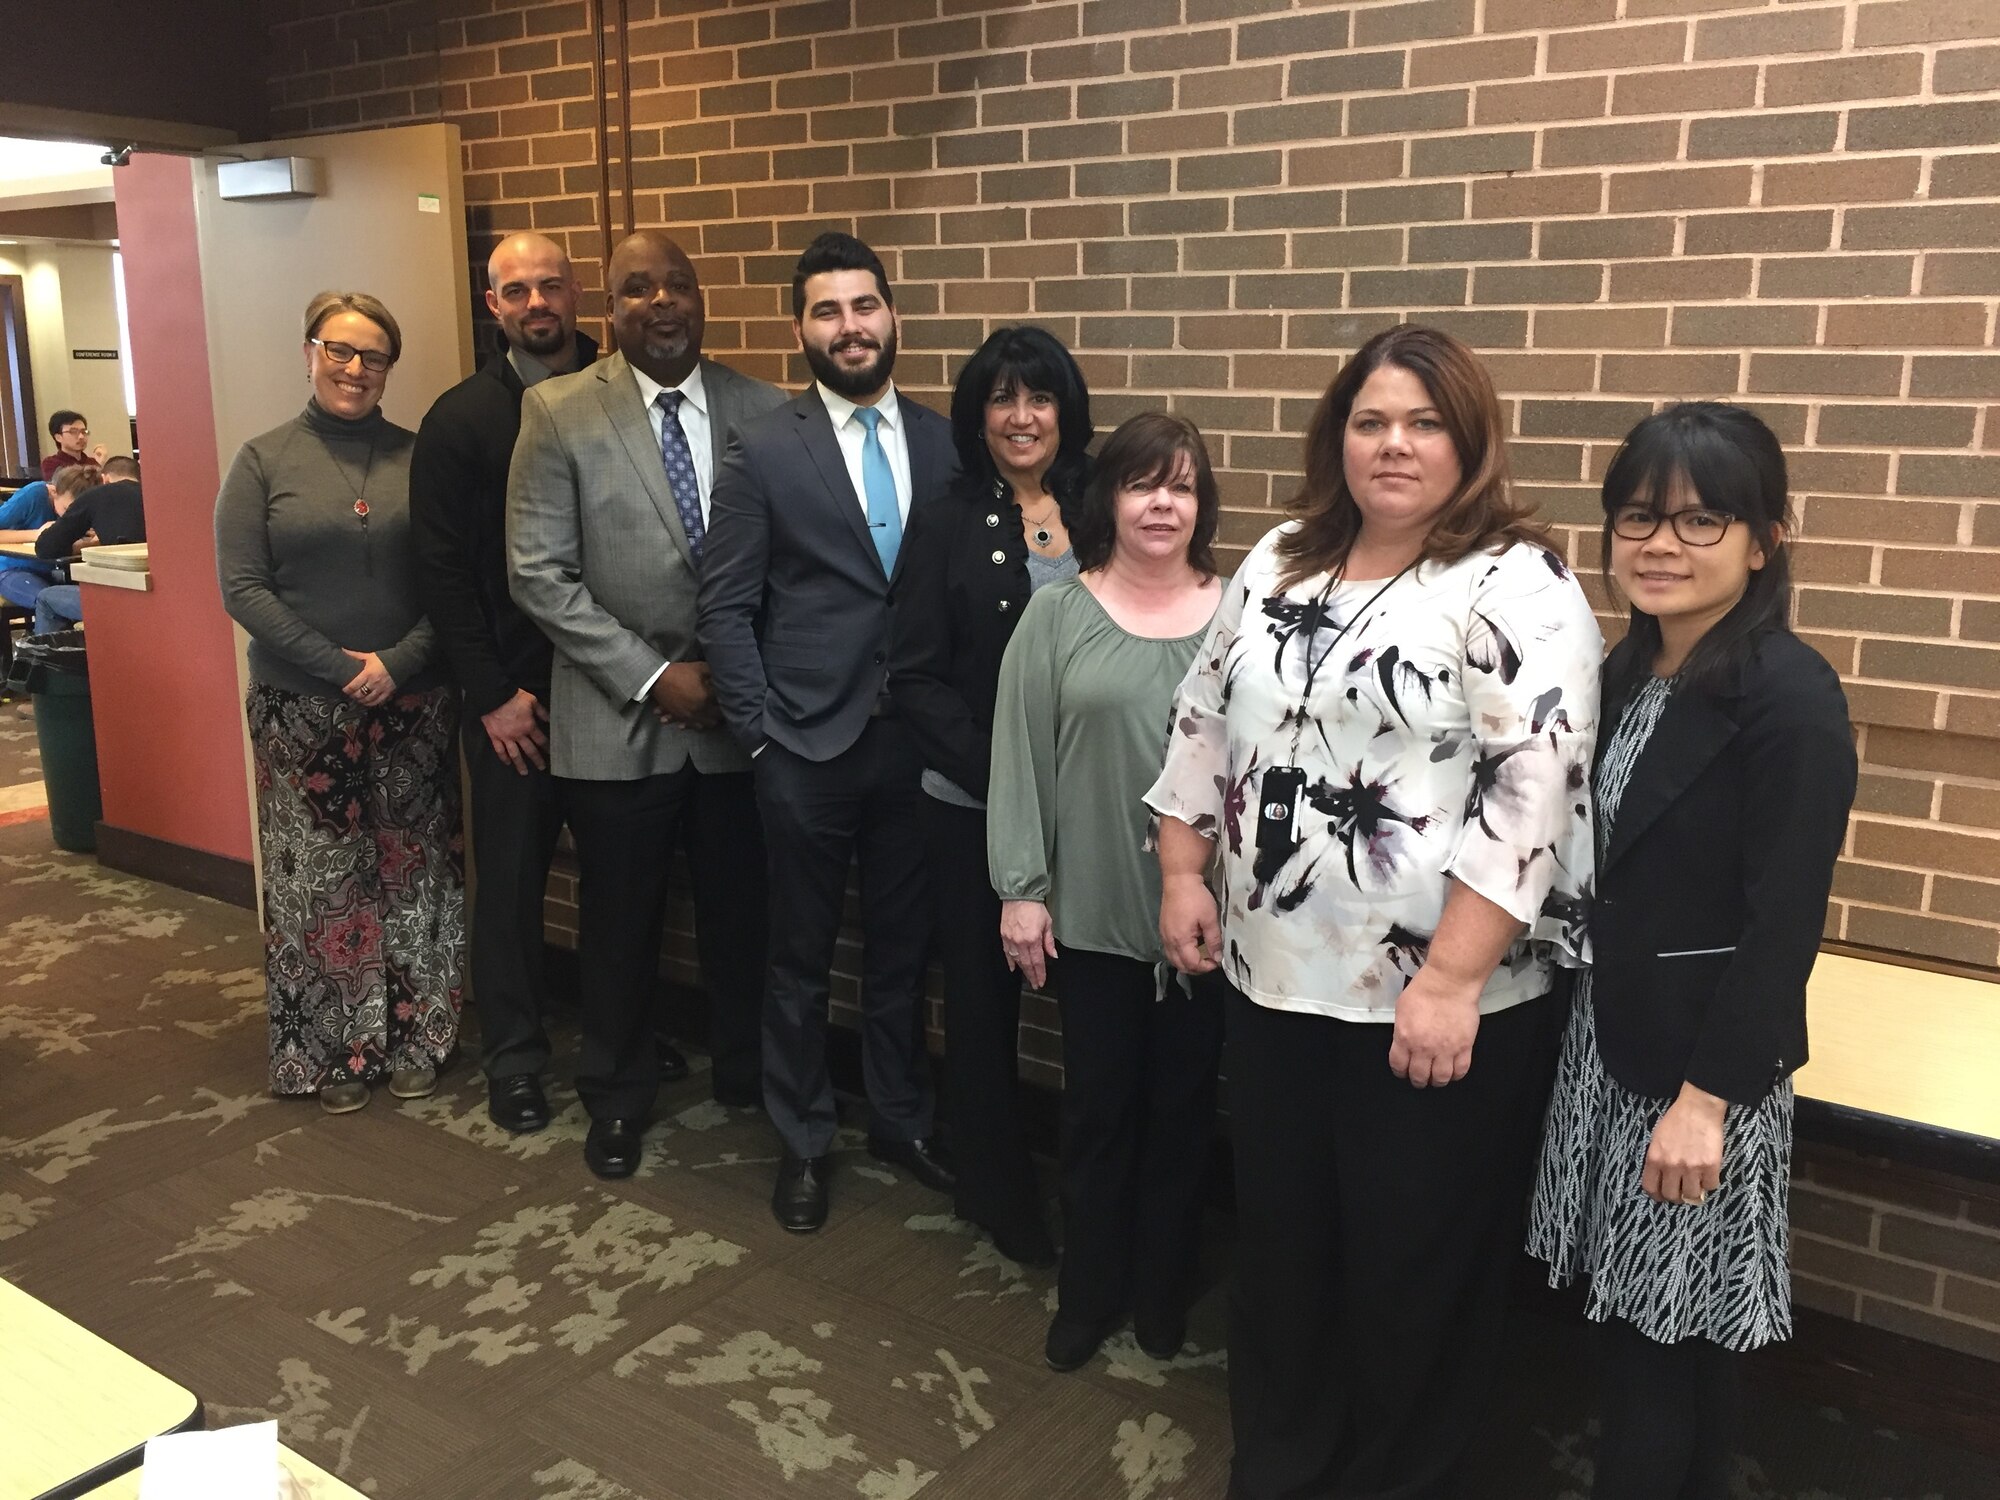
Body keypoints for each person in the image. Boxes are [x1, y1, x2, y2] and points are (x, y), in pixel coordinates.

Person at [1148, 323, 1601, 1499]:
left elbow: (1530, 792)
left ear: (1468, 440)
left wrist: (1448, 982)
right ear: (1334, 434)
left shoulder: (1513, 579)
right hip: (1273, 983)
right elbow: (1202, 719)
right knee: (1284, 1256)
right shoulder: (1280, 556)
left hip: (1436, 1007)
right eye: (1368, 419)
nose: (1392, 444)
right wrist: (1182, 872)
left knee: (1413, 1274)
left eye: (1422, 422)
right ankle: (1283, 1464)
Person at [1527, 403, 1856, 1500]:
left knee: (1662, 1341)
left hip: (1694, 1075)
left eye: (1699, 521)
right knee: (1646, 1328)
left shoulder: (1788, 699)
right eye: (1637, 518)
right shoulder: (1625, 673)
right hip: (1608, 1045)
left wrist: (1705, 1099)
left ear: (1764, 539)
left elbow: (1782, 929)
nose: (1658, 545)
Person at [508, 231, 784, 1180]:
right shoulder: (555, 412)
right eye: (637, 290)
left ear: (701, 298)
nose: (661, 302)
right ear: (609, 311)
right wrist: (658, 676)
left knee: (743, 917)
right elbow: (539, 576)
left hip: (737, 725)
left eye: (677, 285)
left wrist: (726, 675)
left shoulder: (765, 409)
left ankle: (749, 1075)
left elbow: (786, 568)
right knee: (618, 928)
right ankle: (617, 1096)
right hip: (612, 720)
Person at [700, 231, 957, 1233]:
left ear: (891, 314)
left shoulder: (944, 443)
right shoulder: (764, 445)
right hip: (802, 747)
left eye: (863, 306)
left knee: (902, 949)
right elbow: (724, 607)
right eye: (825, 311)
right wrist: (760, 736)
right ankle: (803, 1136)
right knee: (797, 960)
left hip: (914, 748)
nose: (848, 328)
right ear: (799, 329)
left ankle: (897, 1116)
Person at [988, 411, 1226, 1371]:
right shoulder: (1057, 614)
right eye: (1141, 483)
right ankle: (1089, 1292)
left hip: (1209, 924)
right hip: (1089, 911)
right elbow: (1019, 757)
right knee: (1095, 1113)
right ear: (1110, 498)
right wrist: (1022, 890)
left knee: (1183, 1116)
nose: (1161, 503)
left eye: (1181, 486)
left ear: (1201, 505)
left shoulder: (1246, 614)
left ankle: (1162, 1291)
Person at [214, 290, 463, 1115]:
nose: (356, 369)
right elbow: (243, 588)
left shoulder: (420, 456)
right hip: (299, 708)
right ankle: (333, 1052)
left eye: (375, 356)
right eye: (340, 351)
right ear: (310, 351)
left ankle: (417, 1037)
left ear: (391, 365)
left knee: (413, 871)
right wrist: (338, 665)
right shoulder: (262, 460)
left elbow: (456, 579)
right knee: (317, 881)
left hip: (415, 703)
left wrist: (399, 661)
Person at [888, 326, 1092, 1268]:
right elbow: (916, 675)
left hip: (1090, 812)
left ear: (1066, 411)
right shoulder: (943, 517)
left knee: (1094, 1006)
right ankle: (996, 1189)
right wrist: (1006, 779)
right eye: (1002, 399)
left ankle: (1096, 1194)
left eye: (1040, 397)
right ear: (978, 416)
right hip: (966, 800)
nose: (1022, 417)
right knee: (980, 1005)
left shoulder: (1106, 503)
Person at [411, 231, 602, 1137]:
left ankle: (618, 1033)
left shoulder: (624, 396)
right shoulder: (462, 421)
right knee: (516, 884)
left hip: (614, 697)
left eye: (552, 286)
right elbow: (443, 575)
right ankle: (517, 1056)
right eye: (516, 290)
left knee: (622, 884)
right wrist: (491, 695)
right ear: (494, 305)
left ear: (577, 294)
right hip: (513, 704)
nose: (537, 303)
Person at [32, 455, 145, 633]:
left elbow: (45, 548)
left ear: (104, 479)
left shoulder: (97, 495)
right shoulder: (155, 496)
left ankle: (49, 660)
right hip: (167, 596)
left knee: (46, 597)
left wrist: (83, 545)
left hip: (121, 599)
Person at [0, 467, 95, 622]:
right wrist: (37, 534)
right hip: (13, 569)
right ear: (53, 491)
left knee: (91, 597)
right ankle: (44, 645)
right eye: (67, 509)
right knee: (52, 601)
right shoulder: (34, 494)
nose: (70, 515)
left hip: (58, 570)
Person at [41, 410, 108, 481]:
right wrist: (95, 470)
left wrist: (100, 466)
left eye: (84, 432)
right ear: (58, 437)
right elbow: (69, 488)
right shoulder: (51, 463)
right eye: (73, 432)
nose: (81, 436)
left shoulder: (92, 462)